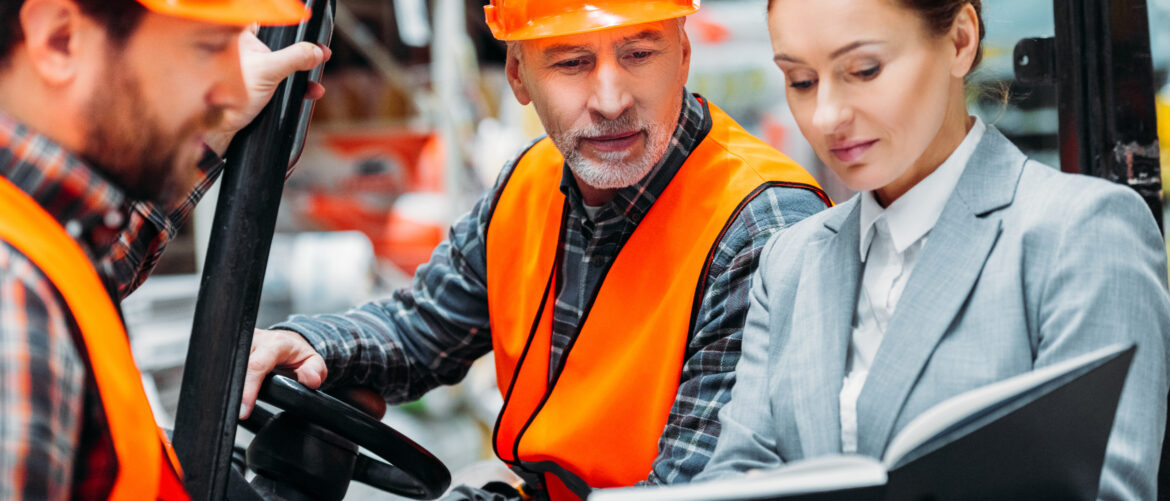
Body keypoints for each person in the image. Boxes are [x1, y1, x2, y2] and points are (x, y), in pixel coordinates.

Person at [238, 0, 830, 498]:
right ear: (519, 76)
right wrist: (310, 343)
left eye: (639, 54)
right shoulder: (532, 180)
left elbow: (695, 489)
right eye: (572, 62)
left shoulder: (760, 228)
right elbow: (422, 331)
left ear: (683, 55)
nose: (611, 99)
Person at [694, 0, 1170, 499]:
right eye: (801, 81)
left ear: (960, 40)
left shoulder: (1079, 233)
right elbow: (735, 474)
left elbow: (1101, 489)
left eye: (865, 69)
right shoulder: (790, 261)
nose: (827, 115)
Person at [0, 0, 329, 497]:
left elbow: (90, 266)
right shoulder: (14, 304)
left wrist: (211, 131)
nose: (235, 88)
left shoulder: (39, 238)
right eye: (207, 48)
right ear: (60, 40)